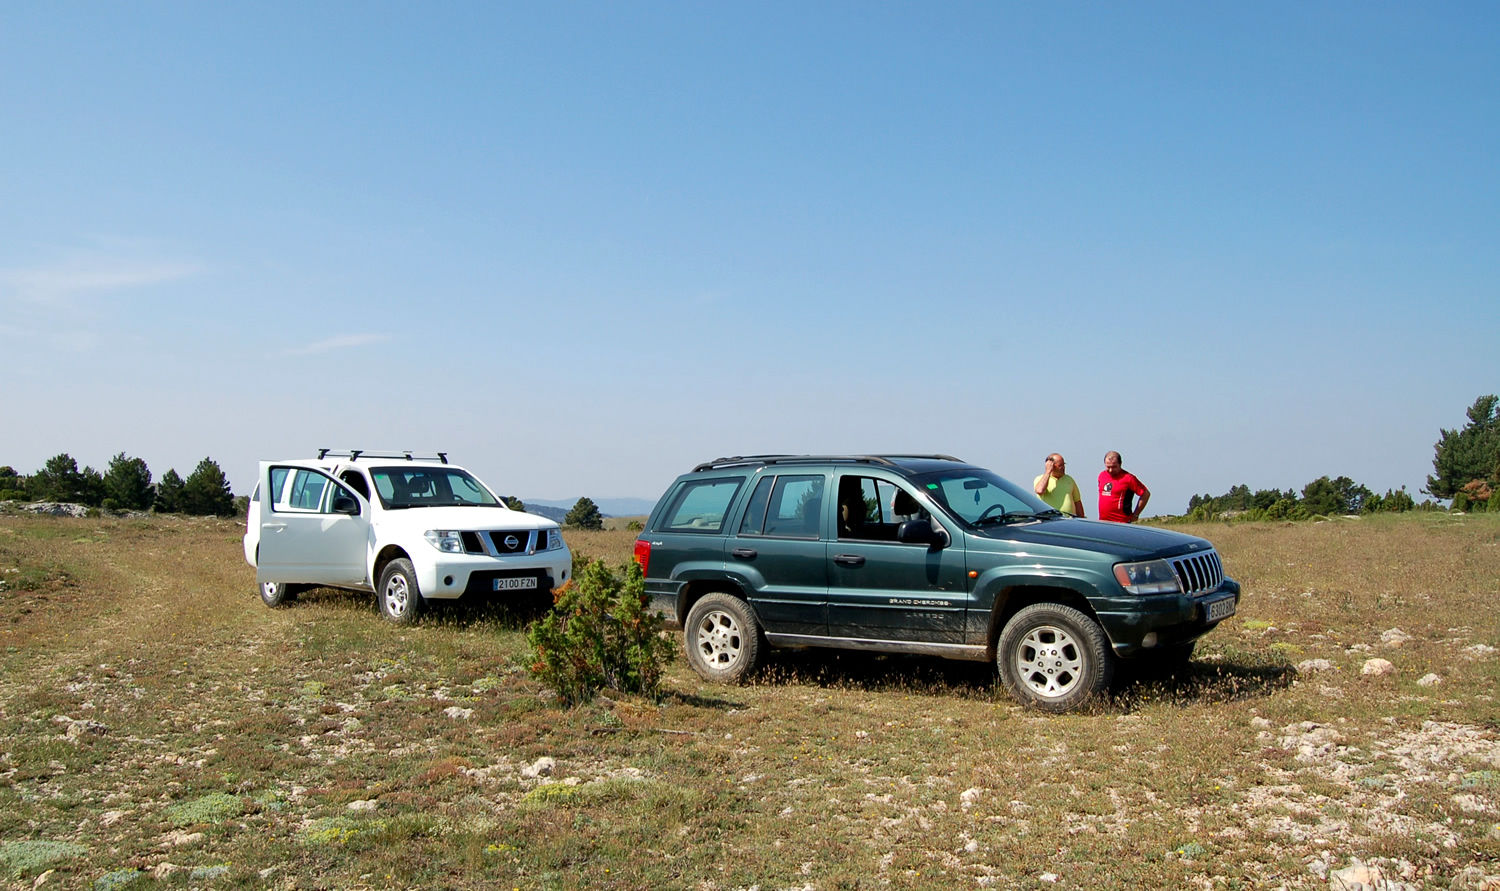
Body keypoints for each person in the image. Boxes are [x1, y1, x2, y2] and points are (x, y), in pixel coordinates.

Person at [1097, 450, 1150, 523]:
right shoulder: (1102, 476)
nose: (1111, 470)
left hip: (1121, 522)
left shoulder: (1128, 478)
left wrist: (1136, 514)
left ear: (1120, 464)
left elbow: (1145, 494)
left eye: (1114, 467)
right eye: (1108, 467)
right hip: (1103, 521)